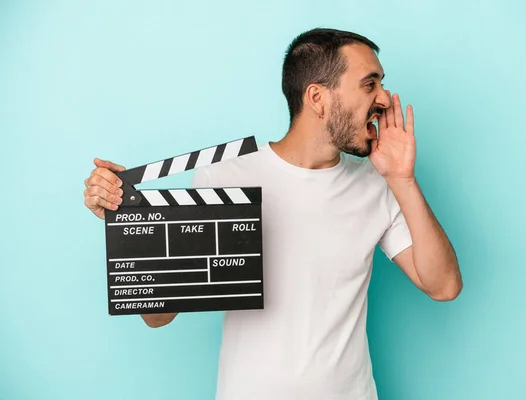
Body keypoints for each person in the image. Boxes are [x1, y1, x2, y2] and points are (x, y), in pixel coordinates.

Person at [83, 28, 462, 400]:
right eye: (369, 84)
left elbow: (443, 286)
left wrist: (403, 179)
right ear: (317, 97)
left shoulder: (376, 183)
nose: (384, 98)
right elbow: (158, 316)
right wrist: (125, 222)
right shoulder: (228, 175)